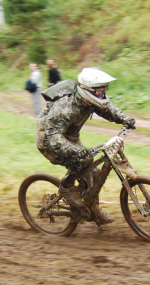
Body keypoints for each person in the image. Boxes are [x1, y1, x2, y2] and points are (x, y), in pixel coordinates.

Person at [36, 67, 136, 224]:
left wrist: (124, 119)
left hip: (70, 137)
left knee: (94, 173)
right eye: (99, 91)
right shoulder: (64, 107)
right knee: (84, 161)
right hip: (50, 141)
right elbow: (53, 136)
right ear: (87, 90)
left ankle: (91, 208)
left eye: (104, 90)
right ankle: (66, 186)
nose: (102, 95)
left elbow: (106, 109)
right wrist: (75, 151)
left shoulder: (89, 99)